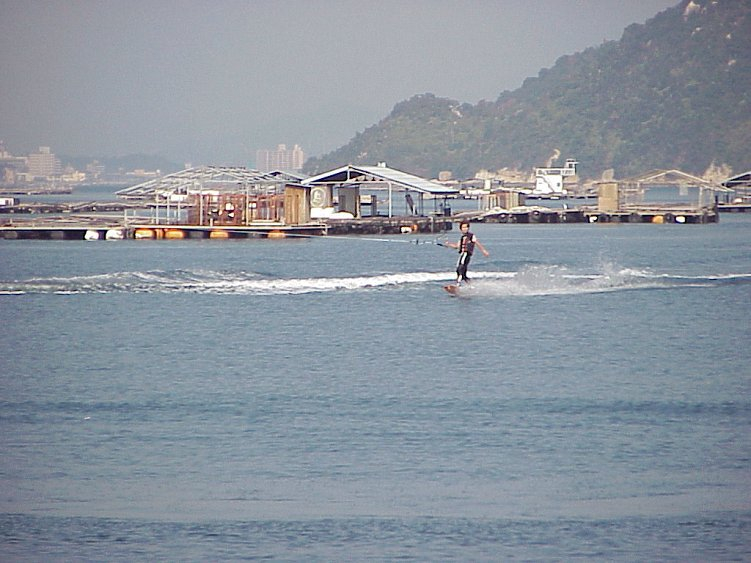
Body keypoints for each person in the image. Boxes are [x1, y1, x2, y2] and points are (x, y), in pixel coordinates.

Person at [445, 221, 489, 286]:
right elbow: (457, 246)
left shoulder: (471, 236)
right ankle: (471, 285)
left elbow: (477, 243)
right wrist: (449, 244)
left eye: (466, 227)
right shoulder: (462, 238)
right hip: (462, 254)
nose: (465, 229)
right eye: (463, 227)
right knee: (462, 273)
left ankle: (458, 284)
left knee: (460, 268)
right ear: (461, 229)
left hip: (466, 254)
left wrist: (483, 251)